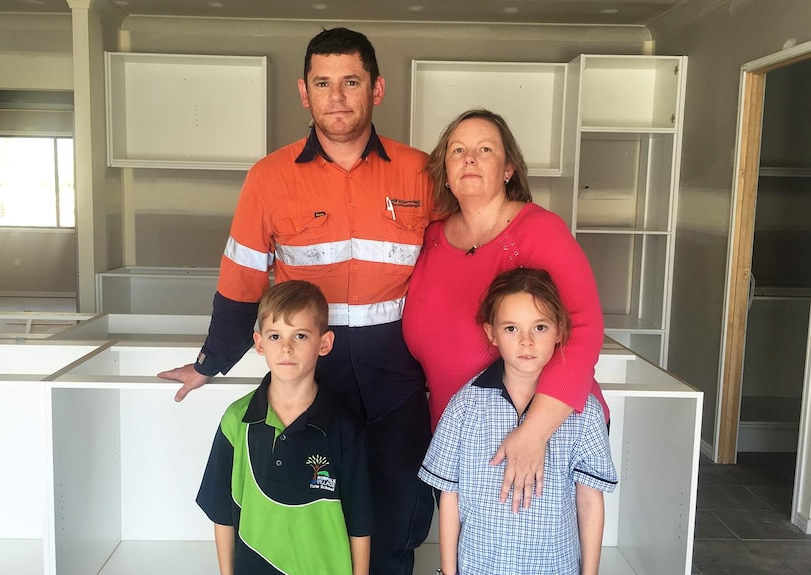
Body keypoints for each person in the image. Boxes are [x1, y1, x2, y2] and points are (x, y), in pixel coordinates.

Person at [159, 28, 435, 574]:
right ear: (303, 92)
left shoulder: (422, 172)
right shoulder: (269, 177)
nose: (337, 96)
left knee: (399, 504)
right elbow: (242, 280)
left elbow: (453, 269)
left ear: (377, 89)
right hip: (310, 373)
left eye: (351, 81)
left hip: (396, 376)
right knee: (312, 512)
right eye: (323, 83)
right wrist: (210, 363)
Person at [402, 108, 609, 512]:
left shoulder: (537, 230)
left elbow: (583, 327)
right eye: (457, 150)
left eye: (485, 149)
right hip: (461, 432)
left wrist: (534, 433)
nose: (470, 158)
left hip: (539, 427)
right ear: (445, 172)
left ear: (509, 168)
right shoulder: (430, 238)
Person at [419, 268, 617, 575]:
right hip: (479, 566)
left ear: (560, 331)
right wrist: (448, 572)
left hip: (555, 567)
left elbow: (590, 502)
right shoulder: (464, 407)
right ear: (491, 334)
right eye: (511, 329)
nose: (526, 342)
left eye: (539, 327)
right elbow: (449, 497)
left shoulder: (583, 412)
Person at [196, 280, 372, 575]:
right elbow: (222, 515)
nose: (287, 348)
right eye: (276, 336)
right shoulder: (235, 422)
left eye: (300, 335)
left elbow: (360, 524)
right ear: (260, 343)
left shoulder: (344, 427)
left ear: (324, 343)